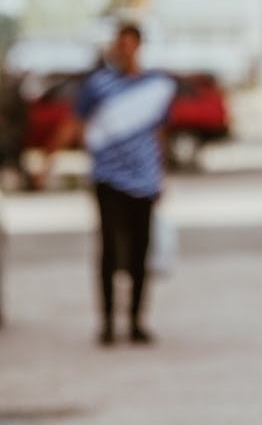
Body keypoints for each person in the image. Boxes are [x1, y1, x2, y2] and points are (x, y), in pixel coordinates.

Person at [43, 23, 176, 346]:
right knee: (109, 249)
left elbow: (159, 134)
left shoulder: (155, 86)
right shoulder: (99, 85)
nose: (125, 50)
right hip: (107, 177)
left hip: (143, 179)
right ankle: (106, 323)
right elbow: (75, 122)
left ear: (139, 46)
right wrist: (50, 158)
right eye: (121, 44)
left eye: (130, 44)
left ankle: (135, 321)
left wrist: (161, 174)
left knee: (140, 251)